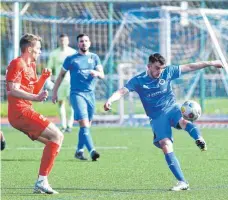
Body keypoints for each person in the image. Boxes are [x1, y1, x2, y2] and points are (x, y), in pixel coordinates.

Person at [104, 53, 223, 191]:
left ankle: (199, 138)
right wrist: (110, 100)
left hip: (172, 108)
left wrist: (211, 63)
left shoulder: (168, 72)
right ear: (148, 66)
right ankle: (182, 182)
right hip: (157, 117)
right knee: (165, 145)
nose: (160, 71)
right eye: (157, 68)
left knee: (183, 122)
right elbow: (122, 91)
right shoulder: (138, 80)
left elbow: (190, 66)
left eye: (162, 68)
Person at [6, 33, 64, 194]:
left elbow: (34, 89)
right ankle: (42, 181)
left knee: (53, 142)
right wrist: (36, 97)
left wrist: (44, 78)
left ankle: (41, 182)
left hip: (25, 111)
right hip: (20, 112)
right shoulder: (17, 63)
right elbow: (12, 90)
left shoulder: (31, 65)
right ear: (30, 49)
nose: (40, 52)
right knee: (57, 136)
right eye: (38, 48)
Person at [52, 33, 105, 161]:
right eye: (81, 41)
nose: (84, 43)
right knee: (84, 123)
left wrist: (96, 73)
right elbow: (60, 76)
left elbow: (102, 75)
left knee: (86, 126)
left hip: (90, 95)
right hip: (76, 94)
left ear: (90, 43)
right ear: (78, 44)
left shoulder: (94, 57)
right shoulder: (71, 59)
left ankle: (79, 151)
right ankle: (92, 151)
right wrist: (54, 91)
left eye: (86, 41)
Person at [47, 34, 76, 133]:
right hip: (60, 83)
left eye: (65, 40)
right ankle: (63, 125)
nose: (63, 42)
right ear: (59, 41)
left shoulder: (73, 53)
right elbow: (49, 68)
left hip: (71, 82)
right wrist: (48, 79)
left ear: (68, 41)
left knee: (71, 103)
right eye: (61, 40)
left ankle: (70, 125)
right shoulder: (54, 54)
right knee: (60, 103)